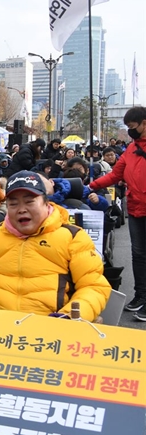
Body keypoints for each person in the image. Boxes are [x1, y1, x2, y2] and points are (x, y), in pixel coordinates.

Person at [0, 170, 111, 415]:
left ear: (46, 202)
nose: (21, 209)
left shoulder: (72, 237)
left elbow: (94, 286)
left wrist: (69, 317)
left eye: (29, 201)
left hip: (50, 330)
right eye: (13, 203)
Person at [89, 106, 146, 320]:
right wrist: (91, 186)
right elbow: (115, 175)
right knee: (138, 254)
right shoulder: (131, 149)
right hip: (136, 208)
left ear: (144, 123)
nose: (130, 131)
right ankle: (141, 295)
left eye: (132, 127)